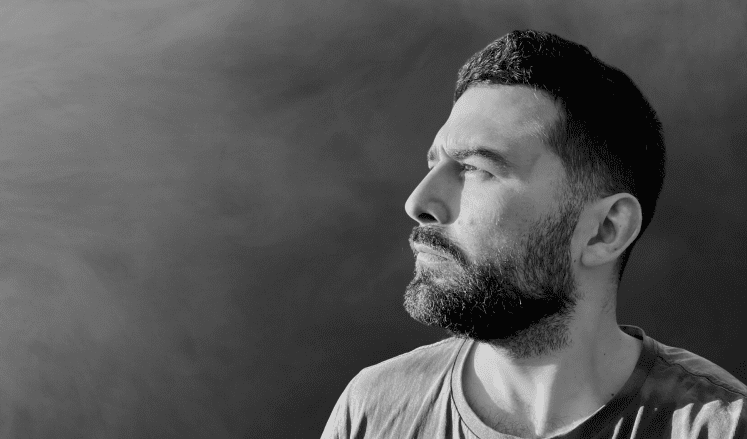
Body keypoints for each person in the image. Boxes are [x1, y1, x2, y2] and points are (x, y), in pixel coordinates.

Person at [320, 30, 747, 438]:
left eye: (476, 168)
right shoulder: (374, 408)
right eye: (434, 164)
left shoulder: (720, 427)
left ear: (604, 230)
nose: (419, 203)